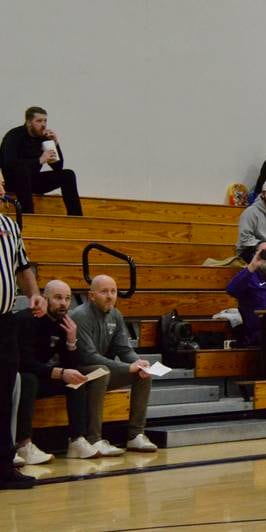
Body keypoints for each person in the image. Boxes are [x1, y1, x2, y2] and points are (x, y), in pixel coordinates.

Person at [16, 280, 104, 463]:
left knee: (76, 380)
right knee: (28, 379)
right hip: (18, 377)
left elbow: (71, 365)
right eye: (58, 298)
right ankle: (23, 444)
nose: (64, 303)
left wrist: (71, 341)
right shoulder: (27, 319)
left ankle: (77, 440)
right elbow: (24, 362)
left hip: (42, 376)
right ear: (45, 298)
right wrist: (60, 373)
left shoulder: (64, 323)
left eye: (67, 298)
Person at [72, 275, 157, 455]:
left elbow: (124, 349)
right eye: (104, 292)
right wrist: (127, 368)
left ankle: (136, 435)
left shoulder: (116, 315)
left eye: (113, 291)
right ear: (91, 295)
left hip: (102, 372)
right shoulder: (80, 316)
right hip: (78, 374)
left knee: (143, 374)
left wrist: (138, 362)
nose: (110, 296)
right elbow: (88, 357)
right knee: (101, 371)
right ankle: (94, 439)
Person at [0, 170, 47, 489]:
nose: (4, 185)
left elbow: (23, 265)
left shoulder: (10, 225)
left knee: (4, 394)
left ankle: (4, 467)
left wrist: (34, 294)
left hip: (4, 321)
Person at [0, 107, 83, 216]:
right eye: (39, 121)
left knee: (68, 175)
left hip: (32, 181)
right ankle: (29, 215)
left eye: (45, 121)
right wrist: (39, 160)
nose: (43, 125)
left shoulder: (43, 138)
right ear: (29, 123)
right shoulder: (14, 135)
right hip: (12, 181)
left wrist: (55, 144)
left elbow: (58, 167)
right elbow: (9, 165)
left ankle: (76, 217)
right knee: (23, 171)